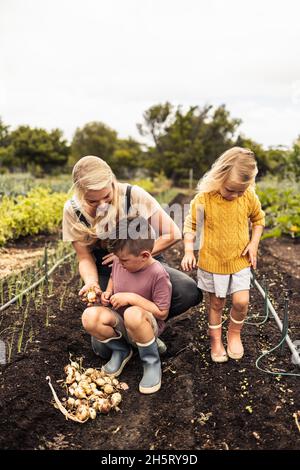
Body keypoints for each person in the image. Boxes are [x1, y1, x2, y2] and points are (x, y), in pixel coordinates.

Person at [62, 156, 202, 356]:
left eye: (107, 198)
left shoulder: (132, 195)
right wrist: (92, 282)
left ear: (113, 182)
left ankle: (146, 327)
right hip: (106, 268)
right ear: (80, 193)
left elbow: (172, 233)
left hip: (143, 262)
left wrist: (132, 257)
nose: (102, 205)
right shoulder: (73, 211)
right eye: (93, 201)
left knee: (188, 291)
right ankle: (132, 338)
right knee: (102, 349)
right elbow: (84, 257)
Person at [181, 147, 265, 362]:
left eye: (241, 190)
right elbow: (191, 225)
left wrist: (253, 244)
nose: (235, 195)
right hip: (212, 261)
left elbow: (258, 220)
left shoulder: (248, 196)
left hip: (239, 260)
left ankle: (234, 334)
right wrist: (189, 250)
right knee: (217, 303)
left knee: (241, 301)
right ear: (219, 176)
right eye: (231, 190)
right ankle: (216, 340)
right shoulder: (204, 199)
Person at [82, 216, 172, 394]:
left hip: (145, 325)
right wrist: (108, 292)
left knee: (132, 313)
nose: (119, 264)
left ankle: (151, 362)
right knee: (90, 316)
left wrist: (131, 297)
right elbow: (114, 278)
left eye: (123, 260)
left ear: (145, 255)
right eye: (117, 259)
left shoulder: (158, 274)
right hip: (123, 323)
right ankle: (121, 351)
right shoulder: (119, 262)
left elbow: (162, 313)